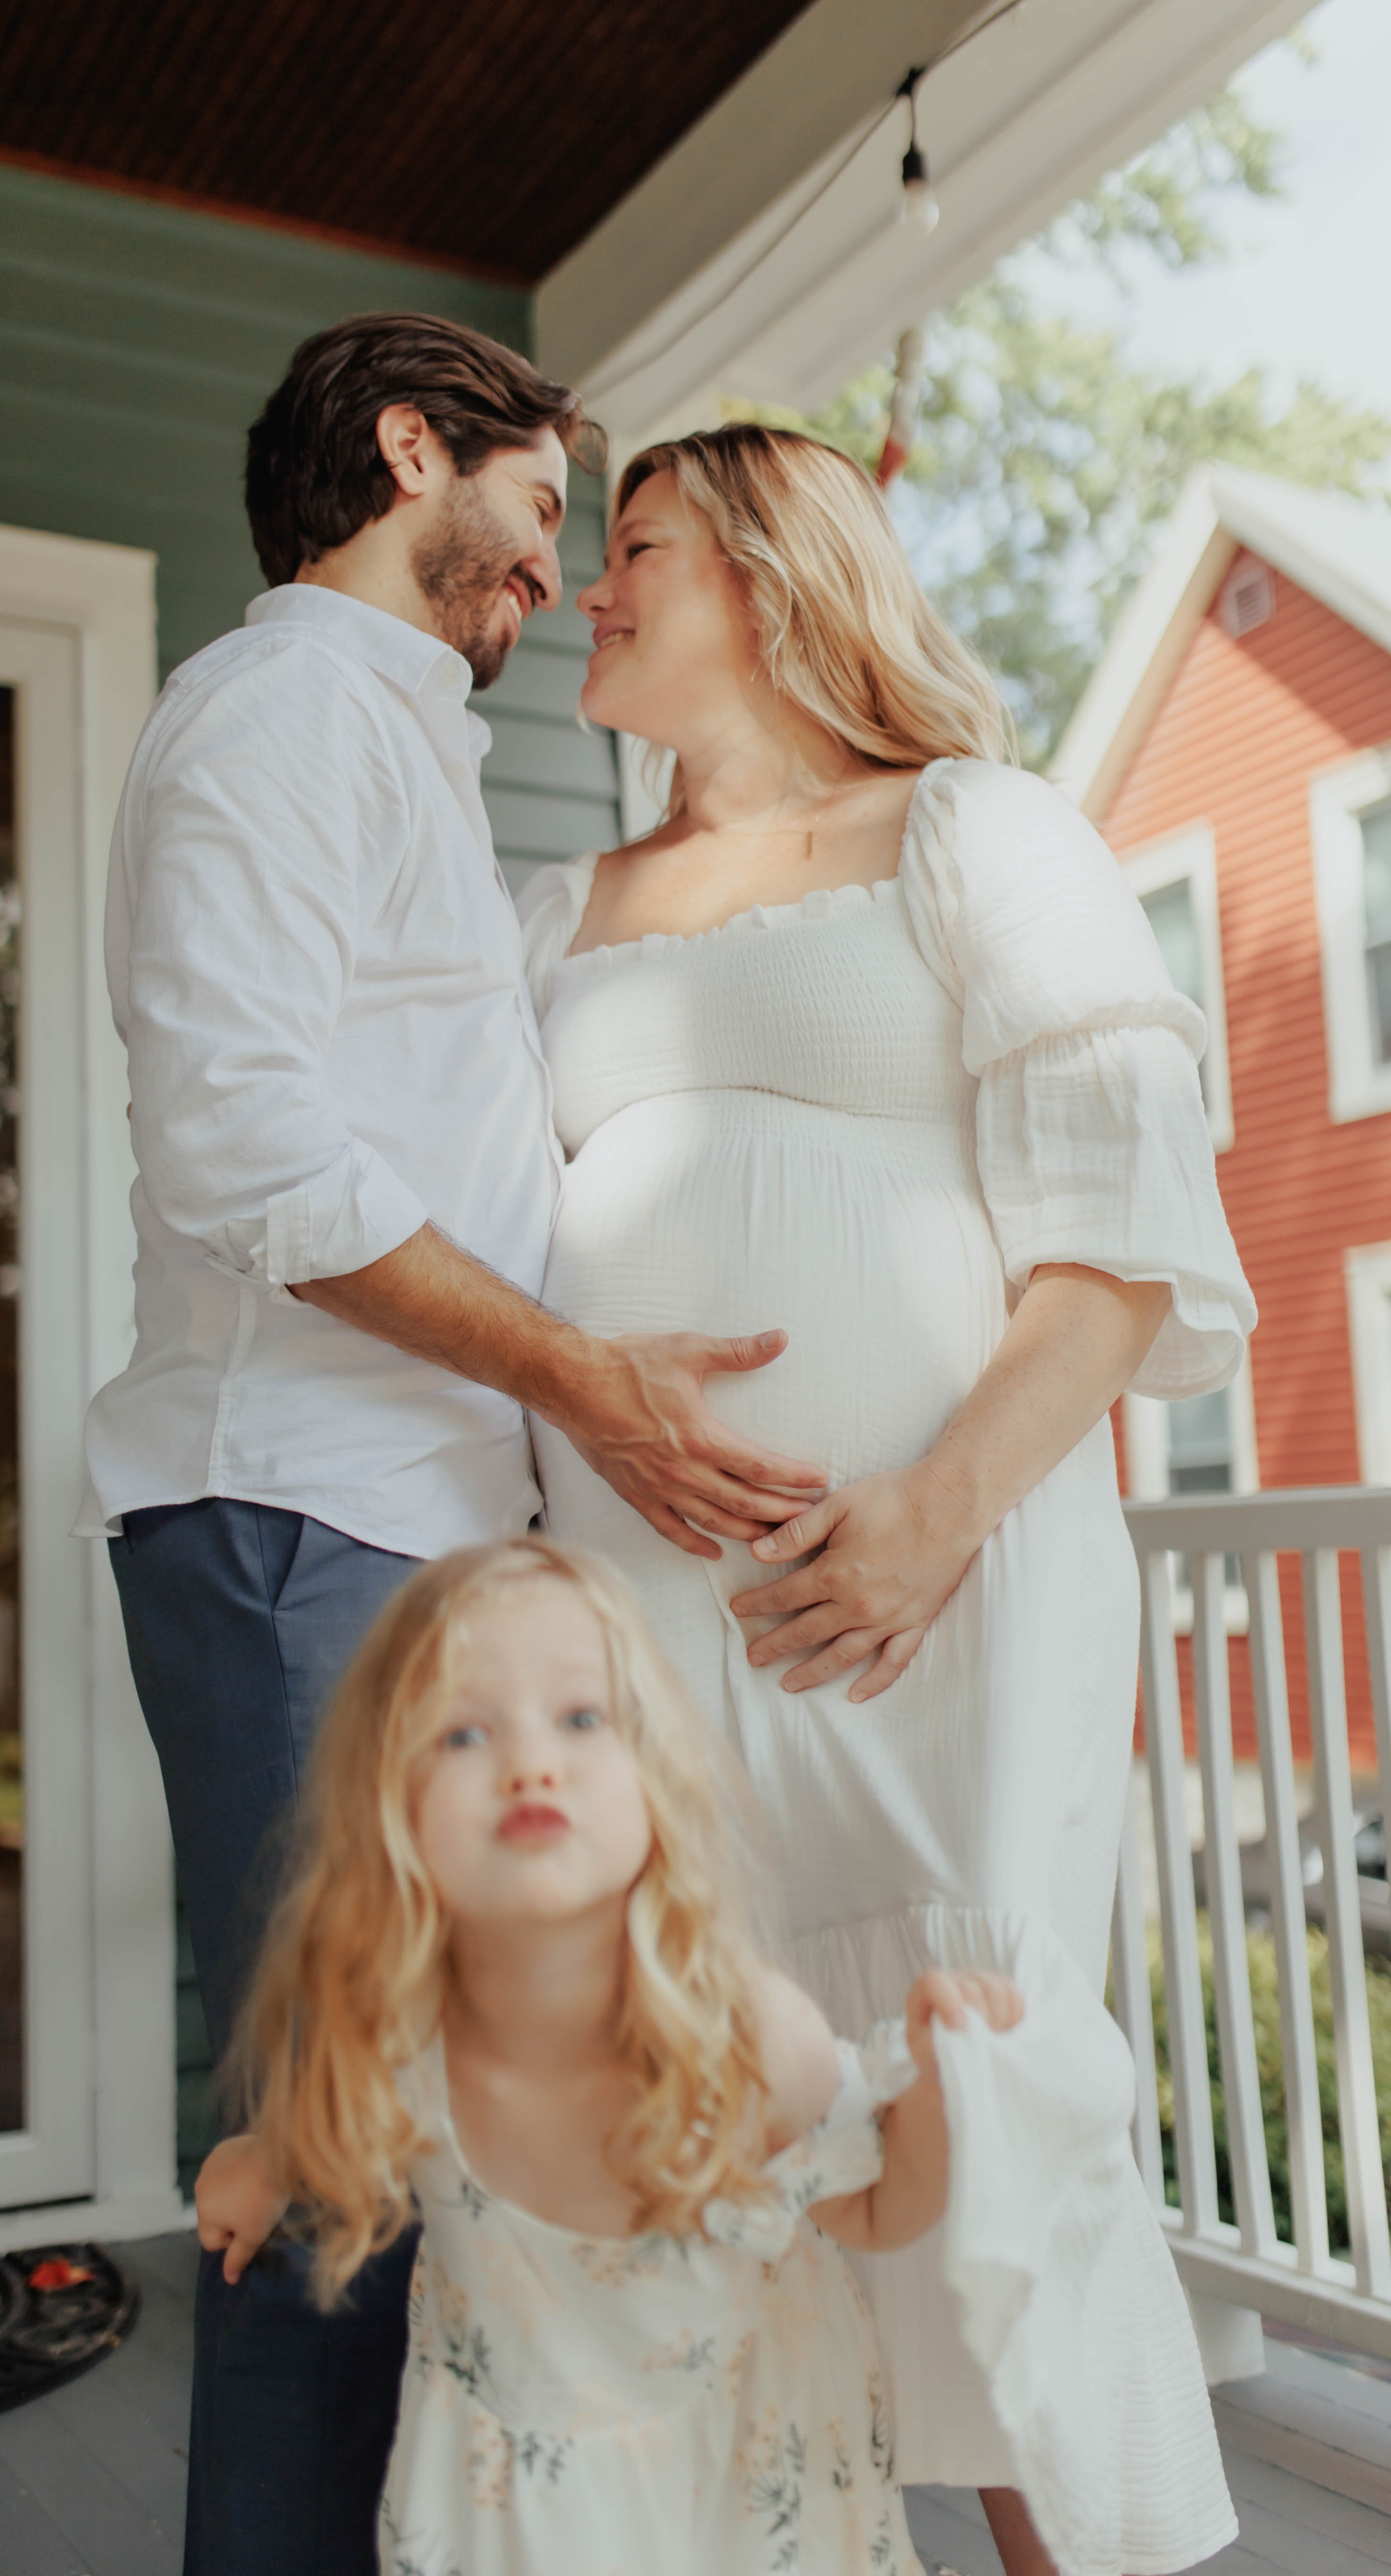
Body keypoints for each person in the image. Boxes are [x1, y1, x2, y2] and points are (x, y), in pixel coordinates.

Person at [79, 321, 826, 2576]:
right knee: (336, 2180)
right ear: (413, 446)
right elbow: (251, 1153)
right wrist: (579, 1377)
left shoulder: (383, 742)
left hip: (393, 1523)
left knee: (420, 2171)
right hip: (297, 1511)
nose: (555, 555)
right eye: (537, 494)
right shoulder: (282, 713)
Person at [516, 423, 1257, 2576]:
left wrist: (932, 1506)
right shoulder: (549, 905)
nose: (590, 587)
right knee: (728, 2126)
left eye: (631, 546)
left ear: (764, 572)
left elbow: (1118, 1236)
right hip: (649, 1622)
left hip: (946, 1584)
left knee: (982, 2096)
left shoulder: (970, 829)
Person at [194, 1535, 1027, 2576]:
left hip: (739, 2499)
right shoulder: (397, 2033)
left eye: (582, 1719)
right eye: (462, 1734)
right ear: (388, 1809)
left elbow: (877, 2208)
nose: (531, 1762)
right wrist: (266, 2163)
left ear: (657, 1781)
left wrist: (943, 2088)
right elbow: (341, 2118)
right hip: (516, 2511)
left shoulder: (747, 2036)